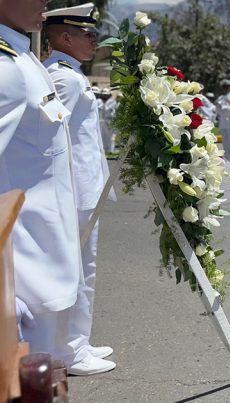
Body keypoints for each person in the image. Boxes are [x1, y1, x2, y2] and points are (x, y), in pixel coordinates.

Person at [1, 0, 114, 376]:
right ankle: (70, 350)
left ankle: (72, 347)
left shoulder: (26, 59)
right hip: (39, 218)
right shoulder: (25, 68)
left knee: (75, 276)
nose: (45, 4)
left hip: (61, 205)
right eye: (88, 34)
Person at [216, 79, 230, 161]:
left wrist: (225, 107)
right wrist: (218, 107)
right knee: (225, 140)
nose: (225, 89)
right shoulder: (221, 97)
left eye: (227, 87)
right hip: (223, 121)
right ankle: (226, 156)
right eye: (224, 87)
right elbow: (218, 112)